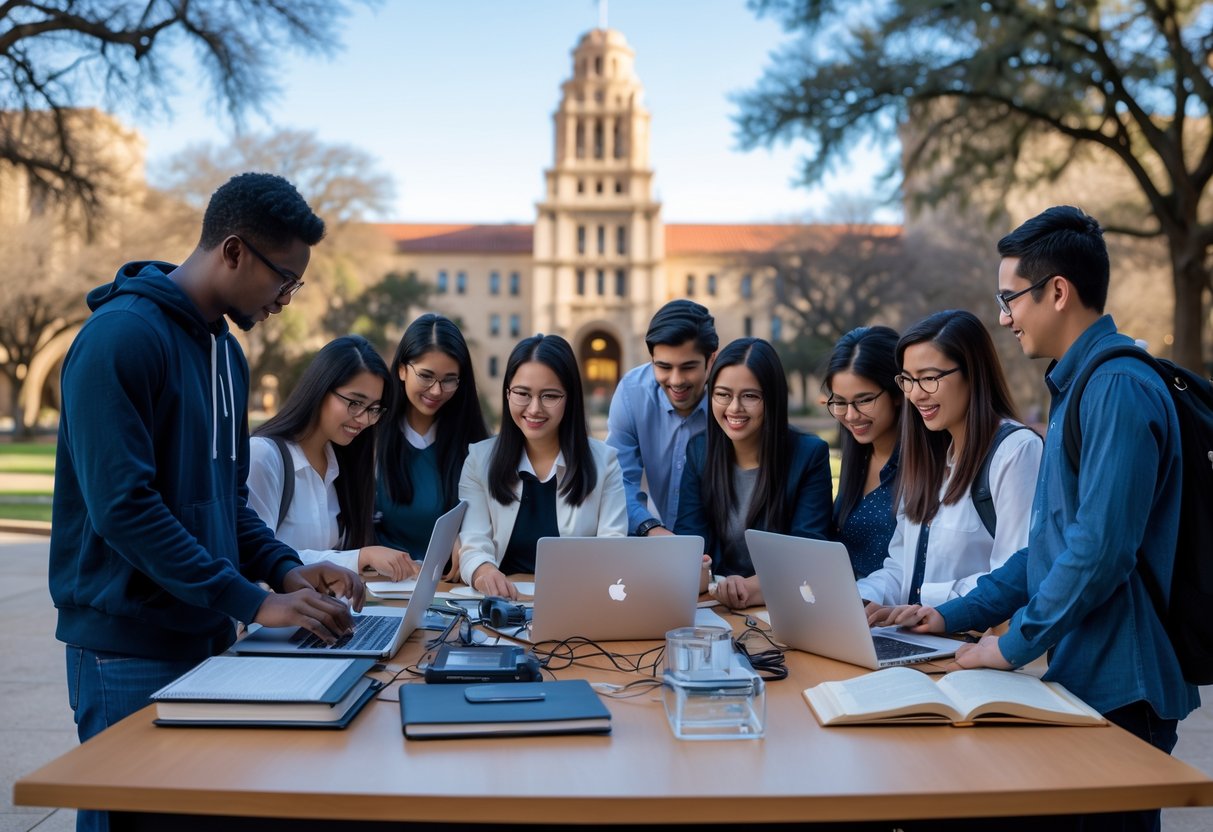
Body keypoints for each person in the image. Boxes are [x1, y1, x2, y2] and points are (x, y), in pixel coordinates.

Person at [49, 173, 363, 832]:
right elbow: (124, 509)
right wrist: (255, 602)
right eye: (285, 278)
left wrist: (283, 570)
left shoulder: (226, 351)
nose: (286, 298)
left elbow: (223, 498)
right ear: (233, 250)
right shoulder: (120, 339)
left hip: (207, 635)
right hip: (127, 650)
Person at [892, 207, 1199, 832]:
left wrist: (1010, 646)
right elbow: (1050, 548)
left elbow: (1099, 550)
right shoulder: (1078, 388)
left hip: (1125, 686)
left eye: (1011, 299)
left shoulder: (1115, 386)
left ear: (1057, 292)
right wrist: (953, 616)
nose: (1004, 318)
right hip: (1084, 674)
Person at [859, 309, 1042, 621]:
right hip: (916, 638)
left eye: (930, 378)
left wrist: (927, 605)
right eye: (908, 380)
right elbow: (900, 567)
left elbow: (1015, 574)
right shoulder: (928, 454)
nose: (916, 394)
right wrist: (859, 598)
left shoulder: (1015, 451)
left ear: (973, 373)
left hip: (973, 644)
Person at [458, 333, 627, 599]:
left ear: (569, 398)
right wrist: (483, 571)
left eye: (549, 396)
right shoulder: (479, 461)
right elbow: (473, 544)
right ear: (507, 394)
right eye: (523, 394)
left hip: (577, 603)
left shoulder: (604, 462)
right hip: (502, 605)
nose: (534, 409)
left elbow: (613, 549)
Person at [674, 337, 833, 609]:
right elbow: (691, 543)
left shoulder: (808, 455)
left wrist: (746, 589)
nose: (734, 408)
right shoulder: (700, 451)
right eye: (723, 394)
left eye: (750, 396)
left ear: (771, 399)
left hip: (786, 606)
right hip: (715, 604)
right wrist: (703, 574)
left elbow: (808, 555)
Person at [247, 335, 417, 581]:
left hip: (330, 614)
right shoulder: (264, 456)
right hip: (277, 617)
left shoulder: (343, 462)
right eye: (355, 402)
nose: (363, 418)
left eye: (373, 409)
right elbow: (258, 557)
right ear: (321, 388)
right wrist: (360, 557)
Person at [375, 314, 489, 563]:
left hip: (453, 587)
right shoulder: (371, 435)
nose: (437, 391)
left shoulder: (475, 446)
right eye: (426, 376)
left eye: (449, 380)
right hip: (383, 587)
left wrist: (468, 541)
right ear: (403, 370)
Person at [606, 299, 718, 537]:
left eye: (688, 367)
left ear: (711, 360)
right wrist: (650, 528)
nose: (676, 380)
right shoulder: (631, 393)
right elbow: (616, 483)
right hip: (654, 541)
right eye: (664, 366)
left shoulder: (731, 402)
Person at [823, 326, 904, 579]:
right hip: (846, 604)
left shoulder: (924, 465)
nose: (850, 415)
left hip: (893, 609)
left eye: (864, 400)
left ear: (898, 393)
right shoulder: (858, 457)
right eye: (840, 402)